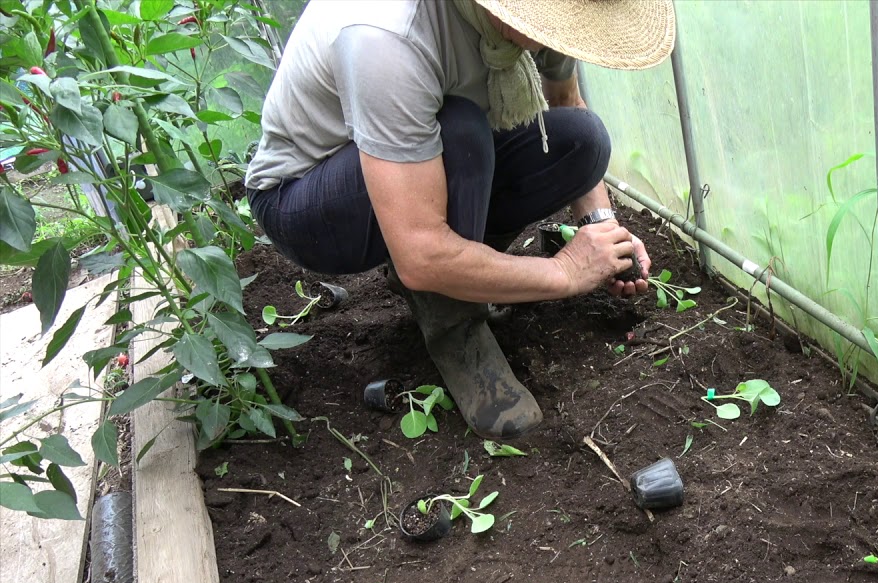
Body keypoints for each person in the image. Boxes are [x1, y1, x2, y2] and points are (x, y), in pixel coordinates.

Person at [245, 0, 676, 440]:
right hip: (305, 200)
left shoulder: (549, 17)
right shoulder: (386, 37)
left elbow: (566, 101)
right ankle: (456, 328)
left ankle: (468, 266)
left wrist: (602, 230)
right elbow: (419, 254)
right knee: (462, 132)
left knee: (582, 140)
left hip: (418, 164)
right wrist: (564, 271)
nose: (558, 35)